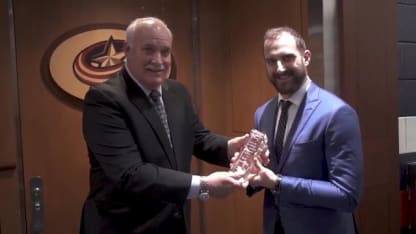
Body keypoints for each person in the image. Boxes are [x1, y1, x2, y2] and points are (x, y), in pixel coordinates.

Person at [79, 17, 249, 234]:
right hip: (124, 227)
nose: (158, 60)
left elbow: (198, 138)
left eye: (165, 51)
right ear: (128, 51)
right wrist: (203, 185)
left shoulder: (178, 92)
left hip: (173, 225)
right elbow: (130, 174)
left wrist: (232, 146)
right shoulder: (104, 99)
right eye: (149, 50)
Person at [246, 27, 363, 234]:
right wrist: (248, 173)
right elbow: (269, 170)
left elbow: (347, 195)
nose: (279, 68)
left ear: (306, 57)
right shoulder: (262, 113)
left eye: (287, 58)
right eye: (271, 61)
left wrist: (278, 183)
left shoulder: (337, 114)